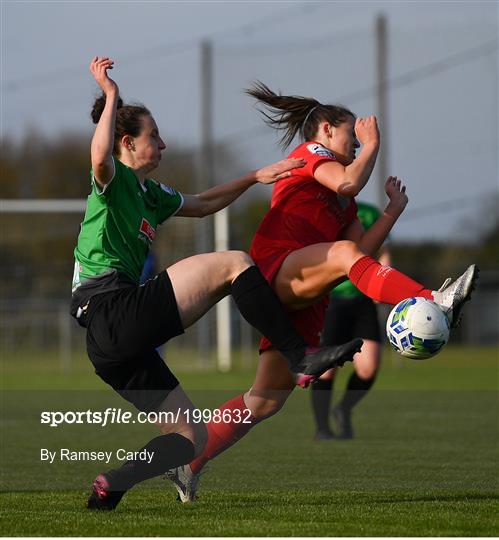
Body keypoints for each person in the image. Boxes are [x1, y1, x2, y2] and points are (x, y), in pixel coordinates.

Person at [166, 81, 478, 502]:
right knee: (345, 252)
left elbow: (360, 258)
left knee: (265, 402)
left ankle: (188, 463)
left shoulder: (345, 206)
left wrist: (391, 211)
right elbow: (349, 185)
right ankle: (433, 298)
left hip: (306, 293)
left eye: (358, 140)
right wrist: (372, 146)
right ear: (327, 130)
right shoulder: (310, 154)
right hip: (278, 270)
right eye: (351, 135)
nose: (354, 144)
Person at [75, 59, 363, 511]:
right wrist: (112, 96)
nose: (164, 143)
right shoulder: (112, 181)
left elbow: (205, 203)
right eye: (155, 137)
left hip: (111, 344)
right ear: (128, 143)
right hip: (111, 308)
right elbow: (98, 157)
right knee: (234, 263)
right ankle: (300, 354)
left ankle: (111, 485)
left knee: (192, 437)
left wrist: (253, 177)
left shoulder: (153, 195)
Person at [311, 201, 390, 440]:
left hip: (363, 298)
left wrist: (383, 283)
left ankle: (343, 409)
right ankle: (322, 429)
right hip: (331, 300)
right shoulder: (322, 209)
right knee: (326, 369)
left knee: (368, 368)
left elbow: (382, 251)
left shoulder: (369, 212)